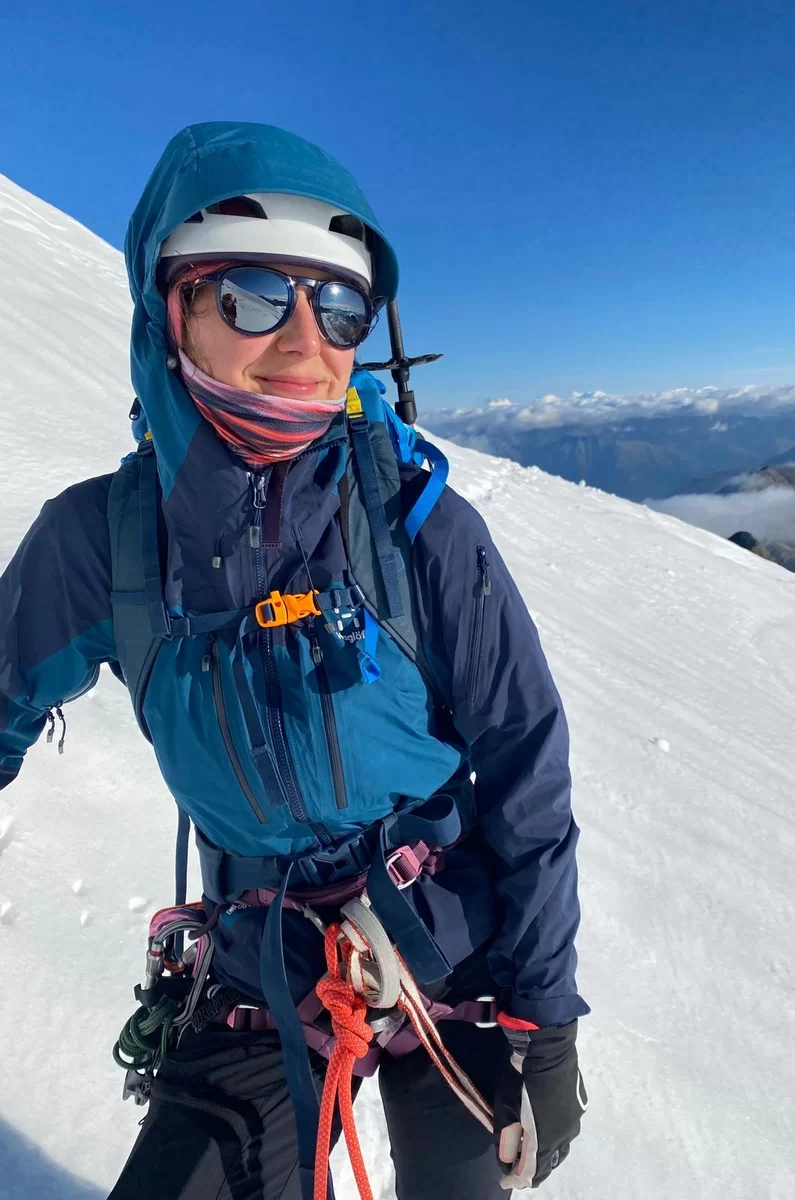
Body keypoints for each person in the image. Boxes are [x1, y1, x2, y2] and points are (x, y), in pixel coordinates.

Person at [0, 121, 588, 1200]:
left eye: (340, 306)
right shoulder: (105, 546)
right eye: (254, 294)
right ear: (170, 310)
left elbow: (525, 762)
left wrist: (545, 1017)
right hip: (260, 965)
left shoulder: (418, 528)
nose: (307, 339)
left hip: (448, 949)